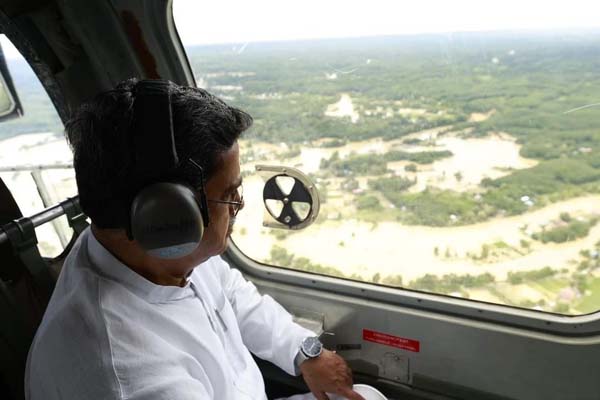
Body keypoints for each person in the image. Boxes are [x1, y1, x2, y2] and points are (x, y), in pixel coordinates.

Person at [25, 78, 365, 400]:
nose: (240, 204)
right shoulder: (129, 376)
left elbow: (231, 294)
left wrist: (303, 350)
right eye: (230, 194)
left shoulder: (160, 251)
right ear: (168, 216)